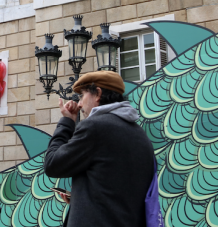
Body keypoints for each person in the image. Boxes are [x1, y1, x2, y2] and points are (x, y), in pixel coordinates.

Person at [44, 71, 154, 227]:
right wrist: (82, 199)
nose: (79, 103)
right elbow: (117, 191)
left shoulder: (95, 127)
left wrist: (67, 122)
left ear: (98, 94)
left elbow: (52, 164)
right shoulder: (139, 134)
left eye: (82, 96)